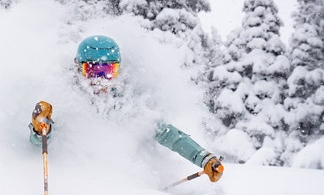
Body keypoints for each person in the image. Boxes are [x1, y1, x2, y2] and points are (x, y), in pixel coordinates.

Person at [28, 35, 224, 183]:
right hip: (74, 181)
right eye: (92, 70)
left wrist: (202, 158)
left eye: (108, 71)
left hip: (121, 183)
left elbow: (169, 135)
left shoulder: (127, 101)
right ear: (78, 68)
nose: (100, 80)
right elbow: (40, 143)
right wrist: (39, 129)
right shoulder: (64, 95)